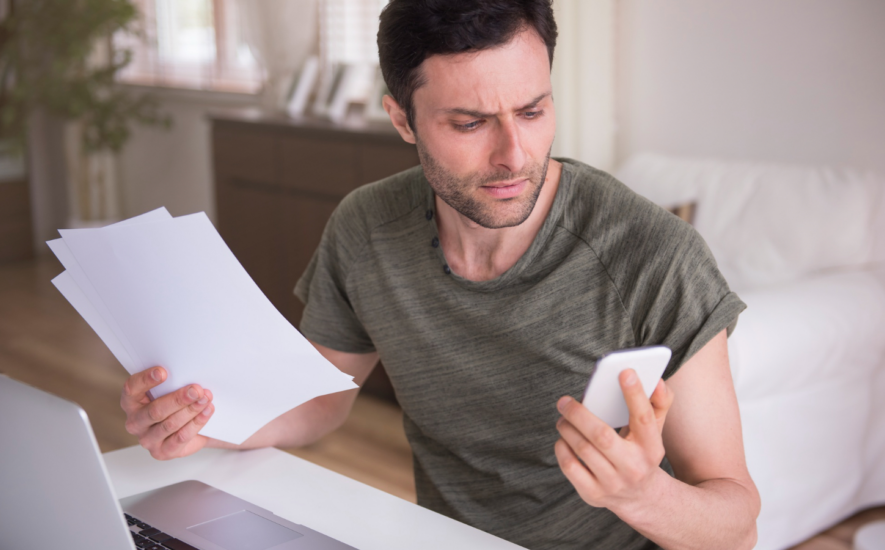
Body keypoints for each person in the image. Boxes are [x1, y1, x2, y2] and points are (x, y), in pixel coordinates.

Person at [118, 1, 761, 548]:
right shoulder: (366, 229)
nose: (514, 155)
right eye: (470, 123)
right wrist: (207, 423)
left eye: (532, 111)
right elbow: (320, 400)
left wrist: (642, 494)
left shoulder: (655, 256)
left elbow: (738, 519)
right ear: (402, 119)